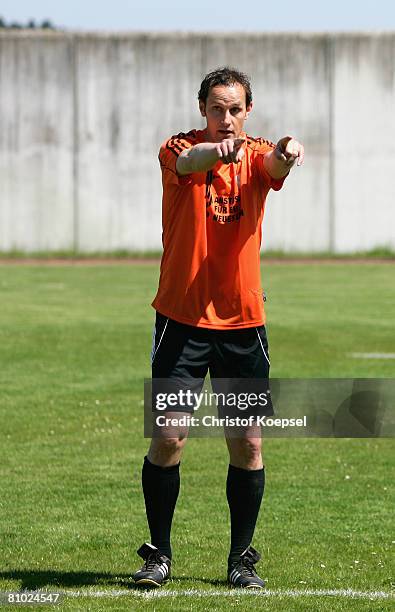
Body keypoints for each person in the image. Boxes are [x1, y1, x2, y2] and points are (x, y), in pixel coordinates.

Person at [133, 67, 304, 589]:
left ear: (247, 110)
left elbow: (275, 164)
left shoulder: (255, 153)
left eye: (234, 109)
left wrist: (288, 150)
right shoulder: (177, 148)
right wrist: (217, 152)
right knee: (168, 437)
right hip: (181, 322)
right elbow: (189, 161)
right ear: (202, 109)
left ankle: (240, 560)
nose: (225, 118)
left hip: (243, 324)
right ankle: (158, 554)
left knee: (248, 443)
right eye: (215, 108)